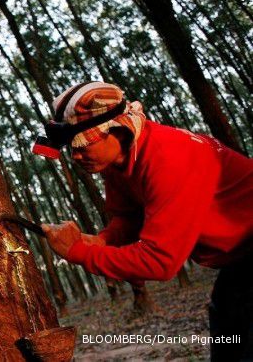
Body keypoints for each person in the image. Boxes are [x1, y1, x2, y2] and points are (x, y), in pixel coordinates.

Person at [34, 82, 253, 361]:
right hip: (238, 261)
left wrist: (79, 253)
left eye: (82, 145)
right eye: (70, 147)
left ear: (120, 131)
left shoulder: (168, 157)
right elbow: (129, 217)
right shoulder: (118, 163)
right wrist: (103, 240)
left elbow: (160, 261)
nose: (75, 156)